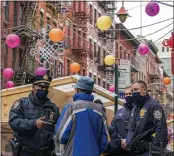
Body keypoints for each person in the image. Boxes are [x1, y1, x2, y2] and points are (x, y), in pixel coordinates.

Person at [54, 76, 108, 156]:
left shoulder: (72, 107)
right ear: (90, 91)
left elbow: (61, 135)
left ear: (77, 90)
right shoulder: (100, 111)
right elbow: (104, 140)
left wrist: (61, 153)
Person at [9, 75, 60, 156]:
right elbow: (14, 122)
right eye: (41, 87)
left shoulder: (53, 108)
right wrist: (34, 123)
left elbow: (58, 129)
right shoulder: (22, 104)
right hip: (26, 152)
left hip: (47, 152)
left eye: (46, 88)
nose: (43, 90)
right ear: (33, 87)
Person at [125, 80, 168, 156]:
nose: (133, 93)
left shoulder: (154, 106)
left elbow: (161, 129)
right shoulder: (135, 107)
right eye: (132, 90)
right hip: (134, 151)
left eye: (136, 90)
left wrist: (156, 152)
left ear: (144, 90)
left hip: (147, 151)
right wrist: (127, 141)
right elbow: (132, 129)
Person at [104, 84, 134, 156]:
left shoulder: (139, 111)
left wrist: (128, 141)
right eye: (126, 94)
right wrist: (120, 142)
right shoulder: (119, 112)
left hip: (133, 150)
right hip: (119, 149)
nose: (127, 95)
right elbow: (112, 127)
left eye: (130, 93)